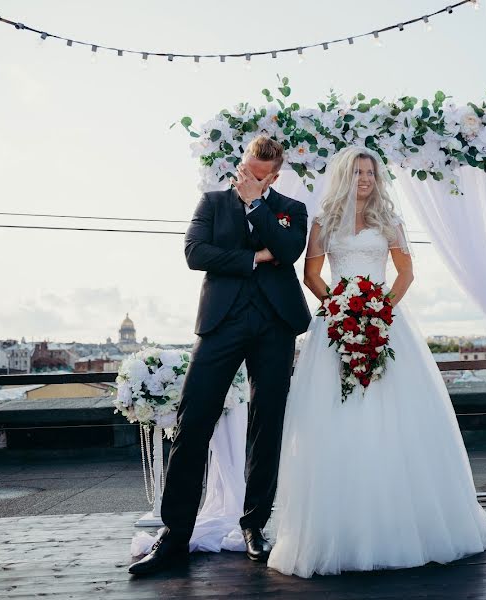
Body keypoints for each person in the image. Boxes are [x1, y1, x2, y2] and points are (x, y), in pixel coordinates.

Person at [266, 146, 486, 578]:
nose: (365, 179)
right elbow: (311, 274)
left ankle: (403, 525)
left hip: (386, 324)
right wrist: (340, 309)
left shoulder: (388, 220)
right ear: (344, 176)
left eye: (370, 172)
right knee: (332, 419)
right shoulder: (323, 221)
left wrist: (378, 311)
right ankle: (341, 529)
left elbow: (405, 273)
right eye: (357, 172)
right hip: (335, 328)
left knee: (398, 419)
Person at [129, 136, 311, 575]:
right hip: (221, 323)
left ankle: (254, 526)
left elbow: (288, 251)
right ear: (241, 164)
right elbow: (195, 253)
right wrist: (253, 258)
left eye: (260, 175)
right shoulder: (210, 203)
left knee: (267, 426)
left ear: (275, 175)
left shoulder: (291, 208)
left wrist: (256, 206)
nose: (250, 179)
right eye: (247, 170)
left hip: (275, 324)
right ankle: (174, 536)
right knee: (192, 423)